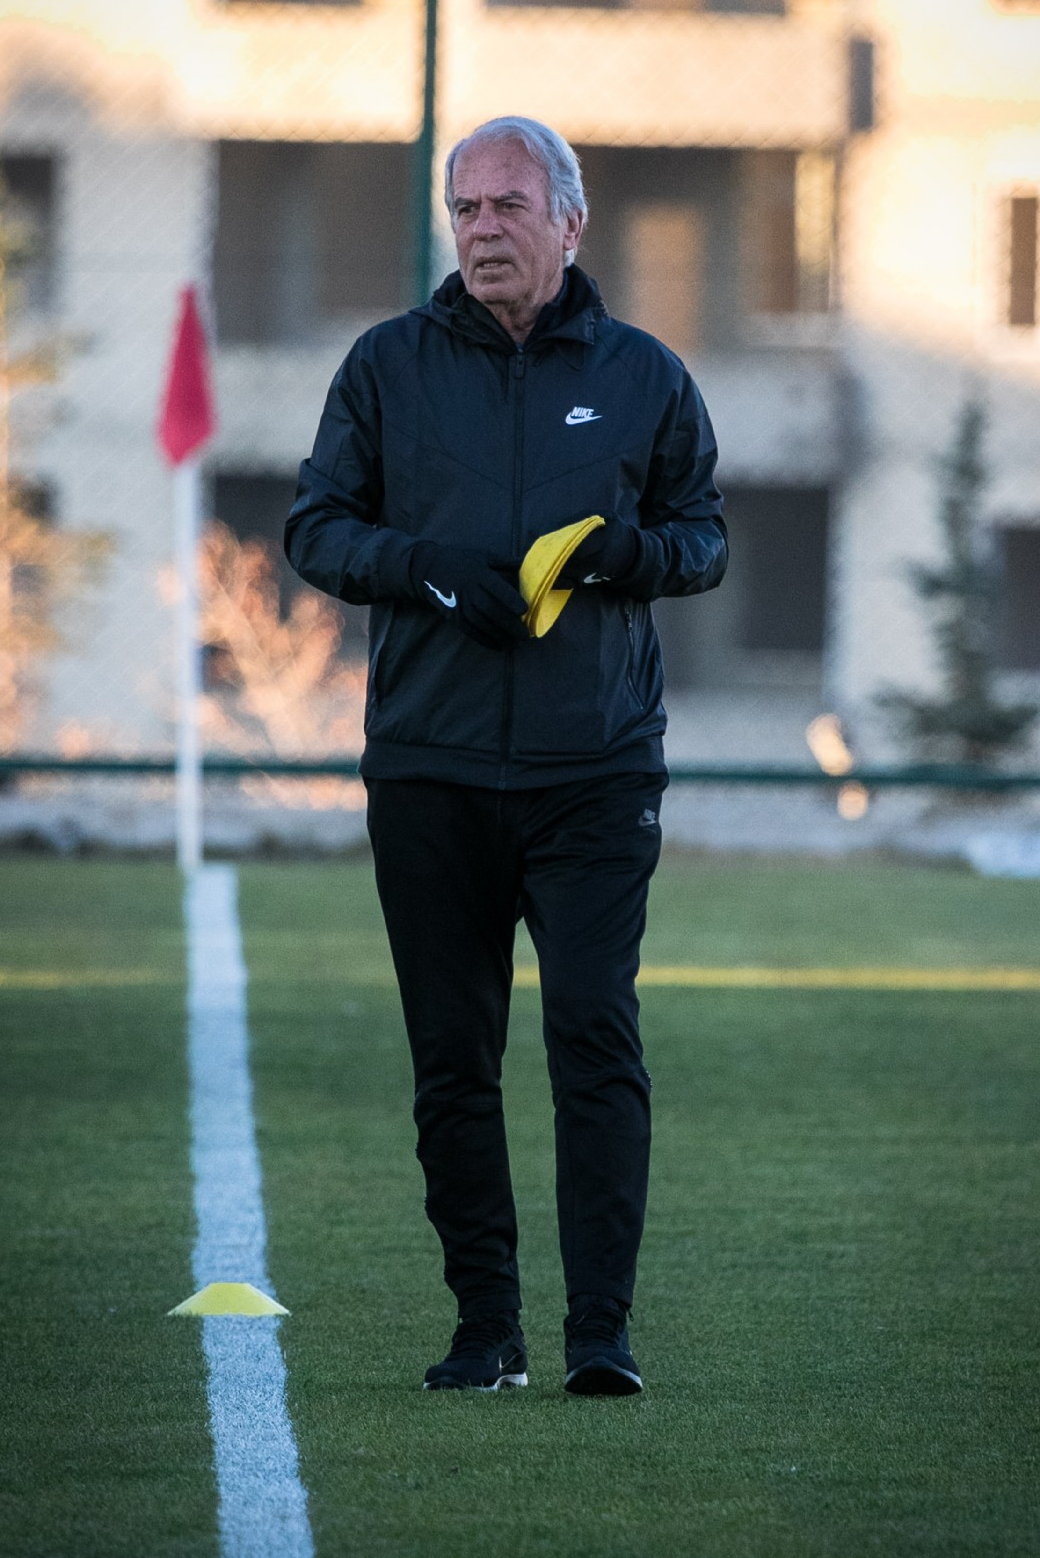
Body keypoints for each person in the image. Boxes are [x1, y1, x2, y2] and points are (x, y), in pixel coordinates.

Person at [285, 115, 726, 1396]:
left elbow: (703, 539)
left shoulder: (645, 375)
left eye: (507, 207)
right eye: (465, 208)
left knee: (592, 1031)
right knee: (451, 1058)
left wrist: (628, 556)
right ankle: (486, 1330)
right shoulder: (386, 366)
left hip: (595, 772)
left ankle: (600, 1336)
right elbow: (317, 530)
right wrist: (426, 571)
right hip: (428, 767)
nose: (481, 230)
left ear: (568, 222)